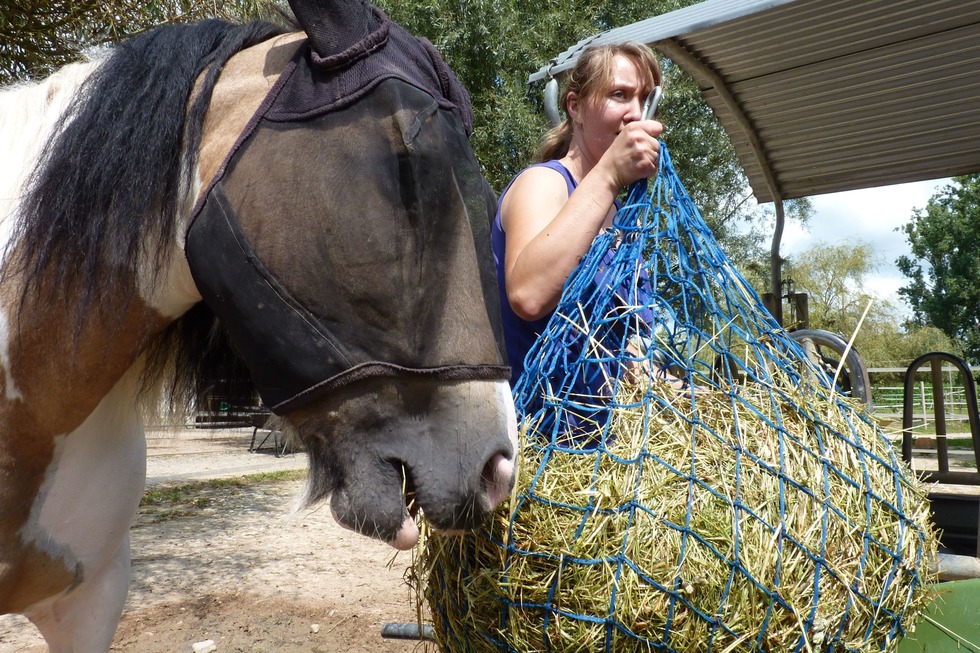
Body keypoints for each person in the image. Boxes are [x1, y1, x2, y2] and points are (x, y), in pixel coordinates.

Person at [491, 42, 664, 389]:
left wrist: (684, 393)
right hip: (539, 431)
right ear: (576, 107)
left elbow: (625, 354)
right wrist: (611, 174)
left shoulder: (624, 218)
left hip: (609, 436)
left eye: (644, 100)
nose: (636, 113)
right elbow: (529, 296)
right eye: (619, 94)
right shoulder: (543, 183)